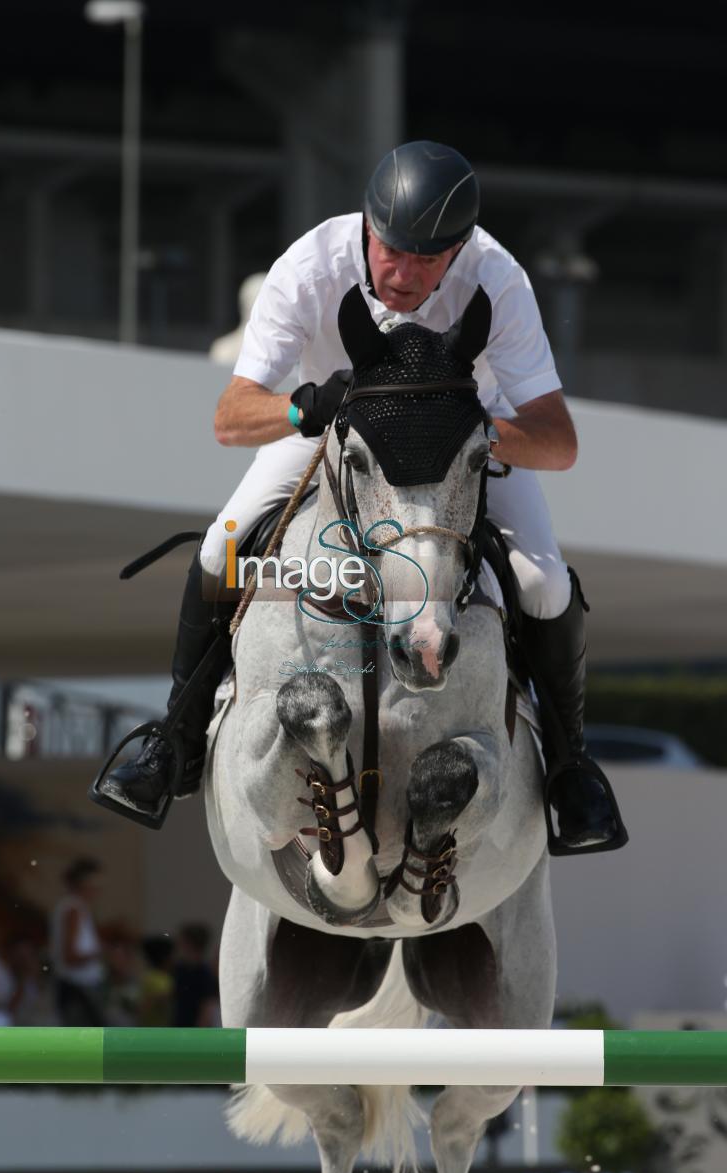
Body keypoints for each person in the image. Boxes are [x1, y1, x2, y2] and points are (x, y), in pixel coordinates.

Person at [94, 139, 621, 855]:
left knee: (542, 581)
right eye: (390, 250)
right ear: (367, 226)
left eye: (426, 261)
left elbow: (558, 442)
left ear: (459, 248)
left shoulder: (498, 278)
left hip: (463, 451)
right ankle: (175, 744)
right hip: (329, 434)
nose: (402, 274)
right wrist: (303, 406)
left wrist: (468, 429)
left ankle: (569, 770)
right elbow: (229, 417)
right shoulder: (310, 266)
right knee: (223, 546)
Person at [49, 857, 106, 1025]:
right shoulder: (72, 909)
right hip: (76, 989)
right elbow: (70, 956)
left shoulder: (78, 907)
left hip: (80, 988)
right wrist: (99, 952)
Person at [172, 923, 219, 1028]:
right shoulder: (180, 969)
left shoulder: (204, 973)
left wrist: (199, 1030)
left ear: (189, 943)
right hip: (178, 1025)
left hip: (194, 1029)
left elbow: (207, 1005)